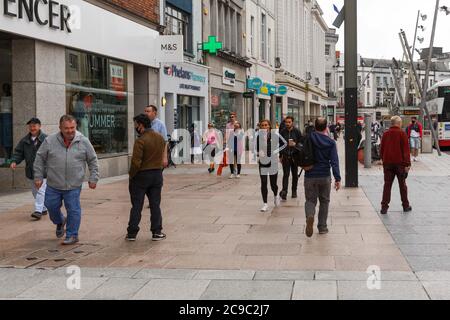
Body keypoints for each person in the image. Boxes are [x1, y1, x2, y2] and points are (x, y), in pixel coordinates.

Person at [34, 115, 99, 245]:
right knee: (51, 207)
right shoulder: (50, 141)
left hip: (74, 185)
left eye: (72, 128)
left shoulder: (83, 141)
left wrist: (93, 178)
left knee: (73, 209)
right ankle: (60, 221)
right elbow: (40, 158)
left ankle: (72, 234)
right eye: (66, 128)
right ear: (60, 128)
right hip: (53, 183)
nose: (70, 131)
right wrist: (38, 176)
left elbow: (92, 160)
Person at [126, 114, 167, 242]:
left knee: (137, 205)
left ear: (141, 125)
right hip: (157, 175)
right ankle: (157, 232)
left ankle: (132, 233)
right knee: (155, 205)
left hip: (141, 176)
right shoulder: (160, 138)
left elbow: (136, 163)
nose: (135, 127)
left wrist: (131, 176)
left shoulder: (141, 140)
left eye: (136, 125)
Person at [304, 118, 341, 238]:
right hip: (324, 175)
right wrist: (337, 178)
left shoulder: (308, 138)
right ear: (326, 127)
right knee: (324, 201)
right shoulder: (330, 142)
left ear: (314, 126)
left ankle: (310, 215)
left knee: (310, 200)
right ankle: (322, 227)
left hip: (310, 174)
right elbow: (334, 161)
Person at [10, 118, 48, 220]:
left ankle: (38, 211)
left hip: (43, 171)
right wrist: (14, 161)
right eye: (30, 126)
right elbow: (18, 153)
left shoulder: (46, 139)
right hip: (30, 171)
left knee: (40, 190)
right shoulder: (24, 140)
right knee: (34, 191)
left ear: (39, 126)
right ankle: (43, 208)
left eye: (34, 126)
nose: (32, 128)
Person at [380, 116, 412, 215]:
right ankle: (405, 206)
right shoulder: (402, 134)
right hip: (400, 165)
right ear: (398, 123)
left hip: (388, 164)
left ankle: (384, 207)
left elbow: (381, 149)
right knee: (402, 186)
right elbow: (406, 151)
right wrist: (407, 165)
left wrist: (383, 160)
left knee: (387, 185)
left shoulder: (385, 134)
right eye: (401, 123)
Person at [257, 120, 281, 212]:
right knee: (263, 182)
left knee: (273, 184)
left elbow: (282, 145)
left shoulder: (275, 135)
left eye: (266, 125)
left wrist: (276, 152)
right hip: (263, 162)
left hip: (273, 162)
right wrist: (259, 152)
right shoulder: (259, 136)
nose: (264, 127)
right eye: (262, 125)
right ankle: (265, 203)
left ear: (269, 126)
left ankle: (275, 195)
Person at [279, 116, 303, 200]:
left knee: (295, 175)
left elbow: (301, 143)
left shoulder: (297, 131)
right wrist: (280, 155)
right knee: (286, 174)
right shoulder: (282, 131)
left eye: (289, 122)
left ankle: (294, 191)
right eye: (286, 122)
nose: (287, 124)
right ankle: (284, 191)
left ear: (292, 122)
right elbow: (280, 144)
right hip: (285, 156)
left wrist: (295, 144)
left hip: (295, 156)